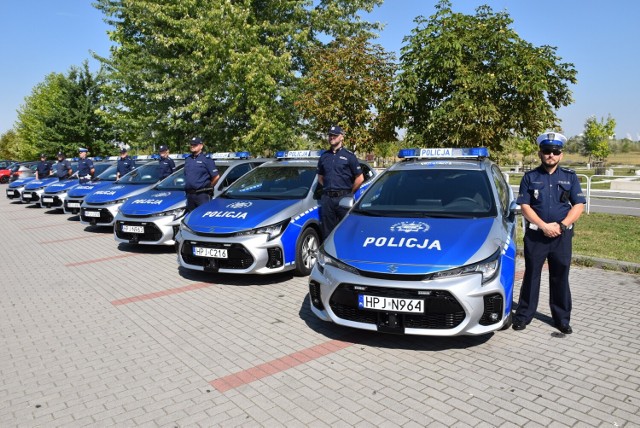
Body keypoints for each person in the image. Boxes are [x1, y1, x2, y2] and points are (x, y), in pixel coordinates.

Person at [512, 132, 586, 334]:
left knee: (560, 277)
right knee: (531, 276)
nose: (550, 155)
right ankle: (523, 315)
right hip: (537, 236)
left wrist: (561, 226)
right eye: (547, 151)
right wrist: (544, 226)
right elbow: (525, 206)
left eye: (555, 152)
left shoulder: (570, 177)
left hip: (561, 237)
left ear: (560, 155)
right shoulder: (530, 177)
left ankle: (562, 319)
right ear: (540, 153)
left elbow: (578, 205)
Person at [316, 125, 364, 240]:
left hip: (344, 198)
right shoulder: (324, 156)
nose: (332, 137)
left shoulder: (349, 156)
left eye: (335, 135)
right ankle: (329, 257)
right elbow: (320, 177)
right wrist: (328, 188)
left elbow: (360, 178)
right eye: (330, 135)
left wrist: (349, 193)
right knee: (327, 233)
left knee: (346, 231)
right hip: (327, 199)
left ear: (341, 137)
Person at [184, 137, 219, 212]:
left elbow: (216, 176)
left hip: (202, 195)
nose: (192, 146)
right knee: (191, 217)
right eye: (191, 145)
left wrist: (209, 186)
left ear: (201, 146)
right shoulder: (188, 159)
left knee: (203, 215)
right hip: (190, 195)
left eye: (195, 145)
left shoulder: (206, 159)